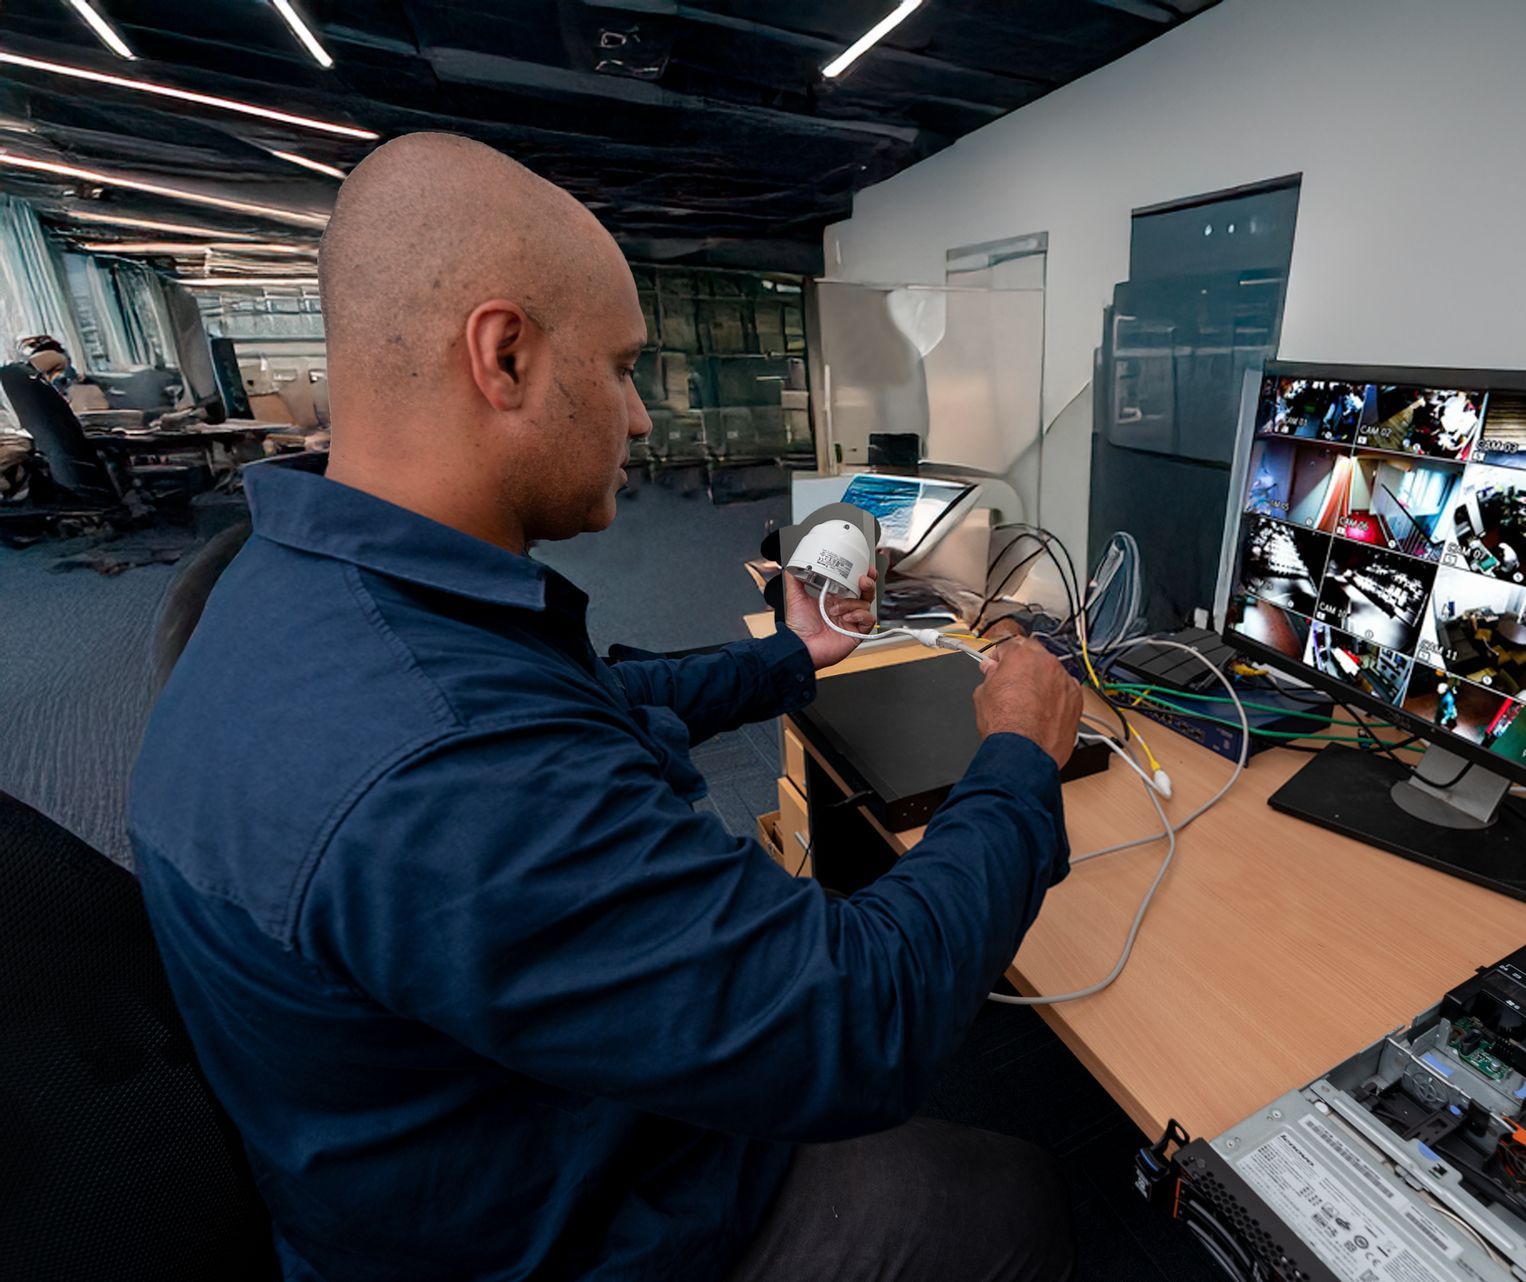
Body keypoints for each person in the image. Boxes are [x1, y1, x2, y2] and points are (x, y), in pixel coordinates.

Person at [131, 133, 1084, 1282]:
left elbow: (581, 708)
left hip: (442, 1159)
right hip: (583, 1227)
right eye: (624, 366)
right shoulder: (444, 763)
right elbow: (857, 1021)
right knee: (1017, 1193)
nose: (640, 418)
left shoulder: (301, 595)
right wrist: (1019, 757)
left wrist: (789, 658)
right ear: (506, 357)